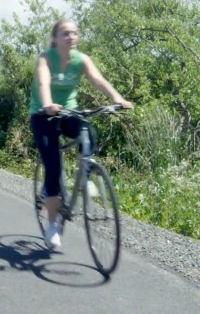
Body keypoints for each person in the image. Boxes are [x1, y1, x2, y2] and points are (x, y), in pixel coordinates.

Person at [29, 19, 133, 250]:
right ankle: (53, 225)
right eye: (65, 33)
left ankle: (84, 176)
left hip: (68, 112)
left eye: (74, 33)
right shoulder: (45, 59)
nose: (71, 37)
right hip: (43, 114)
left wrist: (117, 99)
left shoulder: (81, 60)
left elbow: (97, 80)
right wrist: (47, 104)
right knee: (53, 167)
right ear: (55, 38)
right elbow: (44, 83)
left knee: (88, 130)